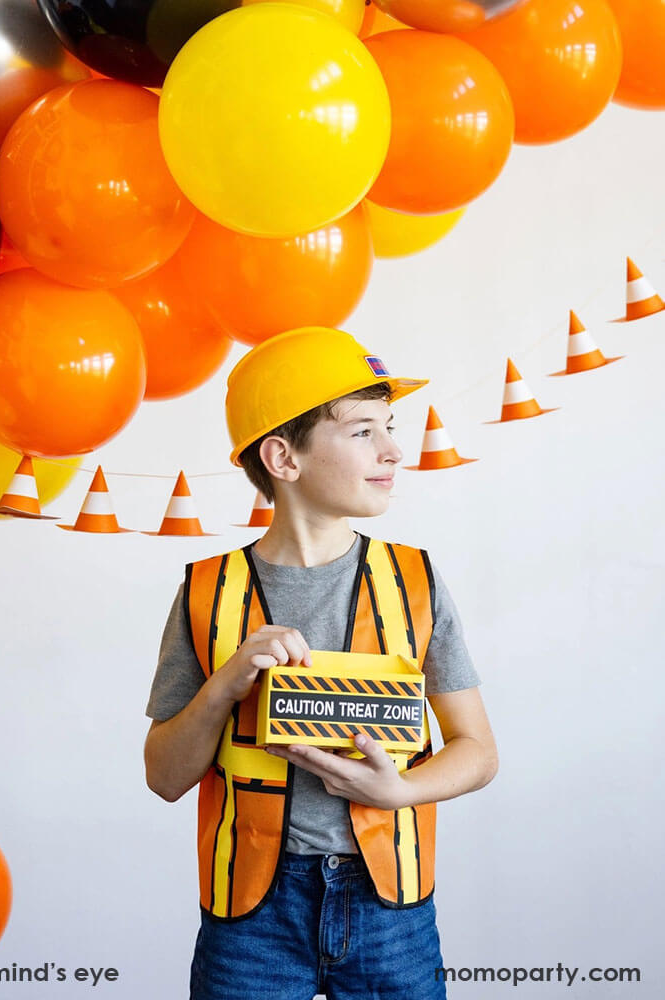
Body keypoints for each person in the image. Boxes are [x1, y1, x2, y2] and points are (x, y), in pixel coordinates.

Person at [144, 326, 498, 1000]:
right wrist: (225, 684)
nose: (395, 449)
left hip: (390, 907)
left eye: (389, 427)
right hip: (251, 915)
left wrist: (402, 792)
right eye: (364, 431)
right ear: (283, 456)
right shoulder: (206, 592)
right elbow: (163, 776)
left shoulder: (415, 581)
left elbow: (478, 750)